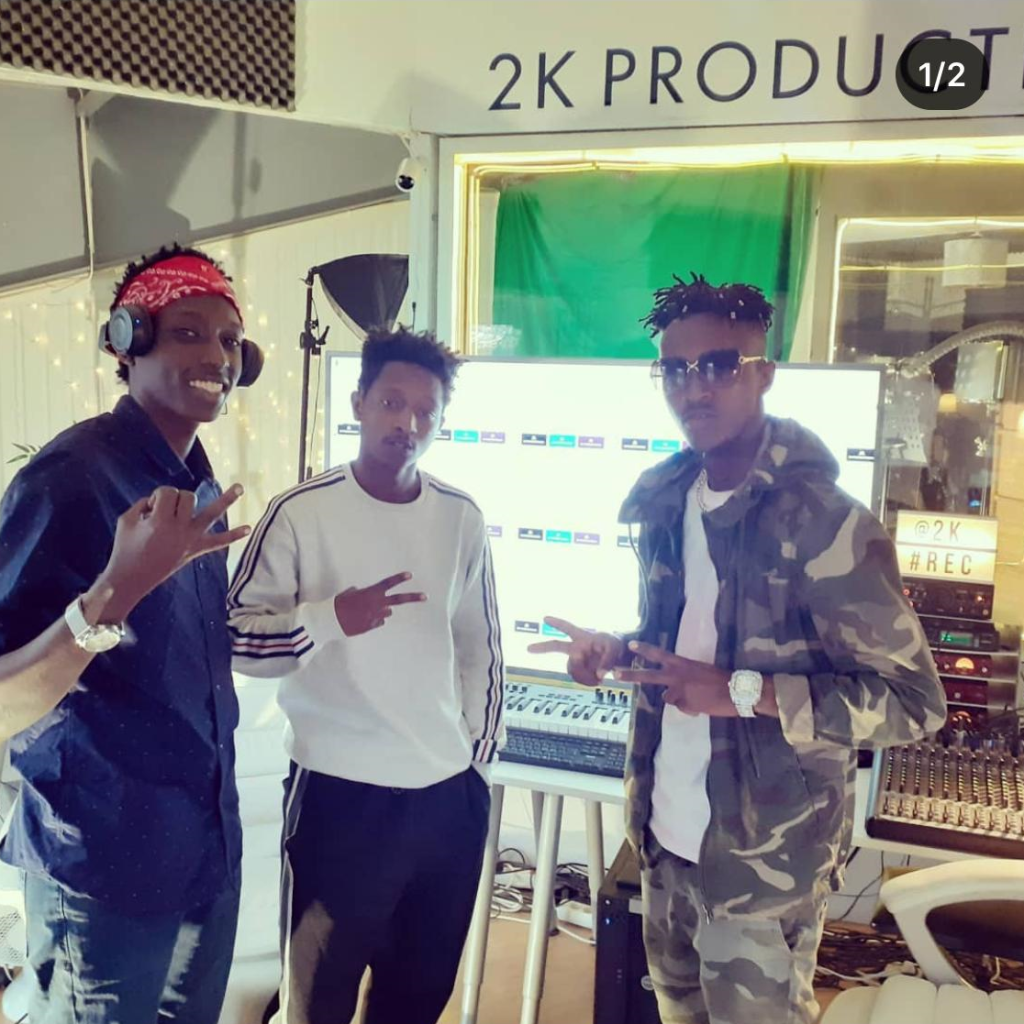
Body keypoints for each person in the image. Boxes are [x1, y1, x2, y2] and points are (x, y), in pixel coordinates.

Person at [529, 273, 945, 1024]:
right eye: (675, 369)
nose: (694, 388)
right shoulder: (667, 502)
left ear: (764, 373)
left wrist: (743, 691)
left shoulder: (826, 524)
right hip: (665, 841)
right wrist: (616, 651)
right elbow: (684, 644)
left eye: (718, 365)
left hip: (764, 871)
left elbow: (913, 703)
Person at [0, 243, 262, 1023]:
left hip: (203, 851)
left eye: (229, 340)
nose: (216, 356)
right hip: (103, 869)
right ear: (127, 341)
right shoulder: (70, 479)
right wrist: (116, 590)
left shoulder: (195, 479)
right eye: (188, 332)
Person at [228, 327, 503, 1024]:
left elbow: (480, 644)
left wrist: (476, 762)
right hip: (339, 797)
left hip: (447, 798)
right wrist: (329, 619)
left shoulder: (461, 517)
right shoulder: (300, 512)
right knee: (317, 1000)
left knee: (418, 997)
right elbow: (236, 639)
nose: (407, 423)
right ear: (358, 403)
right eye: (391, 402)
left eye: (425, 410)